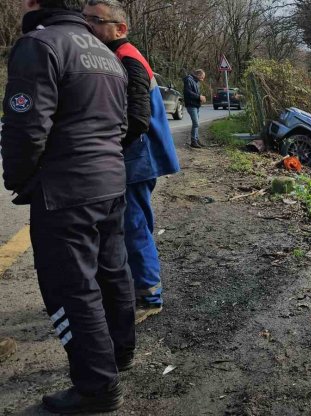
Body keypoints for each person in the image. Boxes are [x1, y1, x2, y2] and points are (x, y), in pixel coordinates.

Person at [1, 0, 133, 412]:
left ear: (33, 3)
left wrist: (19, 178)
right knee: (113, 272)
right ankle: (119, 354)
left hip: (65, 191)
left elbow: (26, 125)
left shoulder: (39, 45)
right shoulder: (105, 53)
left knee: (71, 289)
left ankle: (97, 387)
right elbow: (122, 123)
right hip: (110, 182)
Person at [83, 0, 180, 324]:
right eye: (85, 20)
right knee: (130, 226)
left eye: (95, 21)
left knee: (135, 226)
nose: (88, 27)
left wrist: (106, 145)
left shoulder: (127, 59)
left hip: (138, 158)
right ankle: (134, 289)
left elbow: (137, 119)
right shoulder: (119, 56)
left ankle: (150, 297)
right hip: (136, 157)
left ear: (120, 28)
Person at [183, 69, 206, 148]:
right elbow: (188, 92)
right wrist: (199, 97)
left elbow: (196, 93)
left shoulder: (196, 81)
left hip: (196, 105)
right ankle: (193, 141)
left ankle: (196, 139)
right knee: (196, 123)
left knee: (196, 124)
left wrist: (201, 98)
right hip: (191, 105)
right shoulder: (188, 80)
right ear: (198, 75)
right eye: (202, 77)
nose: (202, 79)